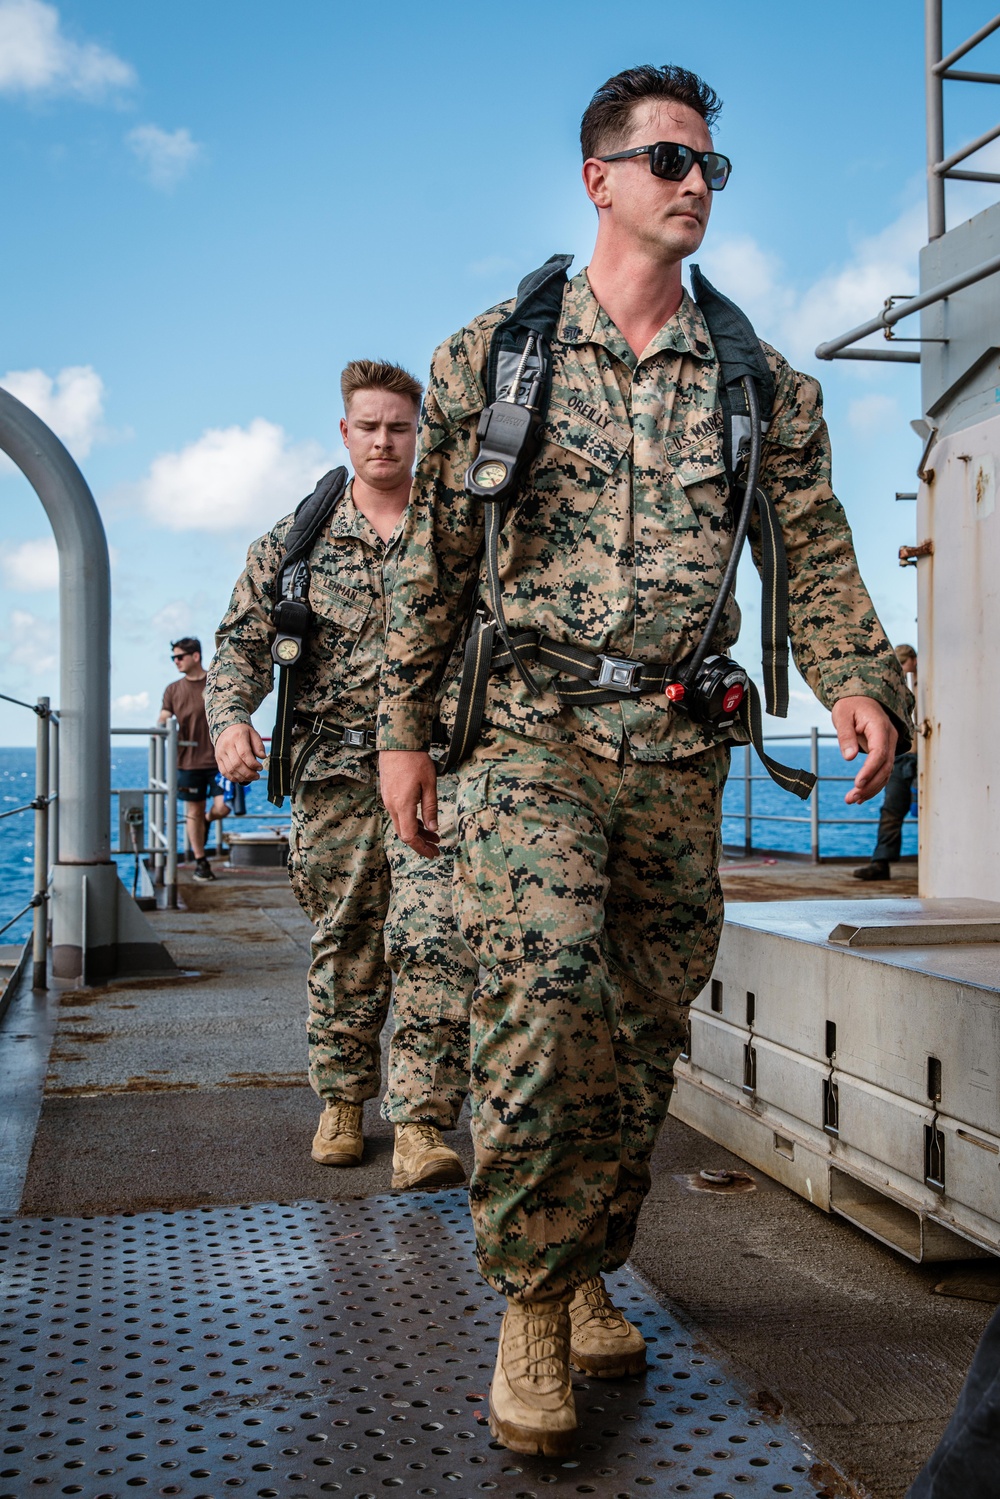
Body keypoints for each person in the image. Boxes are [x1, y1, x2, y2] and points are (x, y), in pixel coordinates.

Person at [377, 64, 914, 1456]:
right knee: (544, 1011)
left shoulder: (759, 381)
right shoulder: (492, 354)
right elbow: (433, 559)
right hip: (532, 736)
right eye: (668, 159)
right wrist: (401, 732)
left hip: (679, 743)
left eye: (711, 167)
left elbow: (815, 539)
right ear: (598, 177)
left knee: (638, 1030)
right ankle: (534, 1306)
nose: (694, 183)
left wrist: (857, 676)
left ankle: (591, 1253)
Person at [206, 360, 476, 1188]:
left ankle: (425, 1124)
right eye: (370, 426)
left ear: (419, 428)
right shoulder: (297, 543)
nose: (385, 440)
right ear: (346, 432)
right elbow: (241, 646)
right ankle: (344, 1103)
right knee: (348, 946)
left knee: (437, 941)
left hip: (440, 771)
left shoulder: (458, 534)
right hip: (336, 780)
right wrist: (228, 720)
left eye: (400, 426)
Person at [160, 637, 228, 883]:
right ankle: (201, 861)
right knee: (193, 810)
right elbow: (164, 716)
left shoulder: (215, 682)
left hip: (219, 760)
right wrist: (161, 727)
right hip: (188, 762)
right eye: (174, 657)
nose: (176, 661)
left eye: (179, 657)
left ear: (195, 656)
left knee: (223, 807)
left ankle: (208, 821)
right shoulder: (173, 690)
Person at [854, 643, 918, 880]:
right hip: (904, 757)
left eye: (903, 663)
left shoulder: (930, 685)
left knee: (932, 810)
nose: (901, 669)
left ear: (914, 660)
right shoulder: (895, 688)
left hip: (927, 759)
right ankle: (880, 863)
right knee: (891, 810)